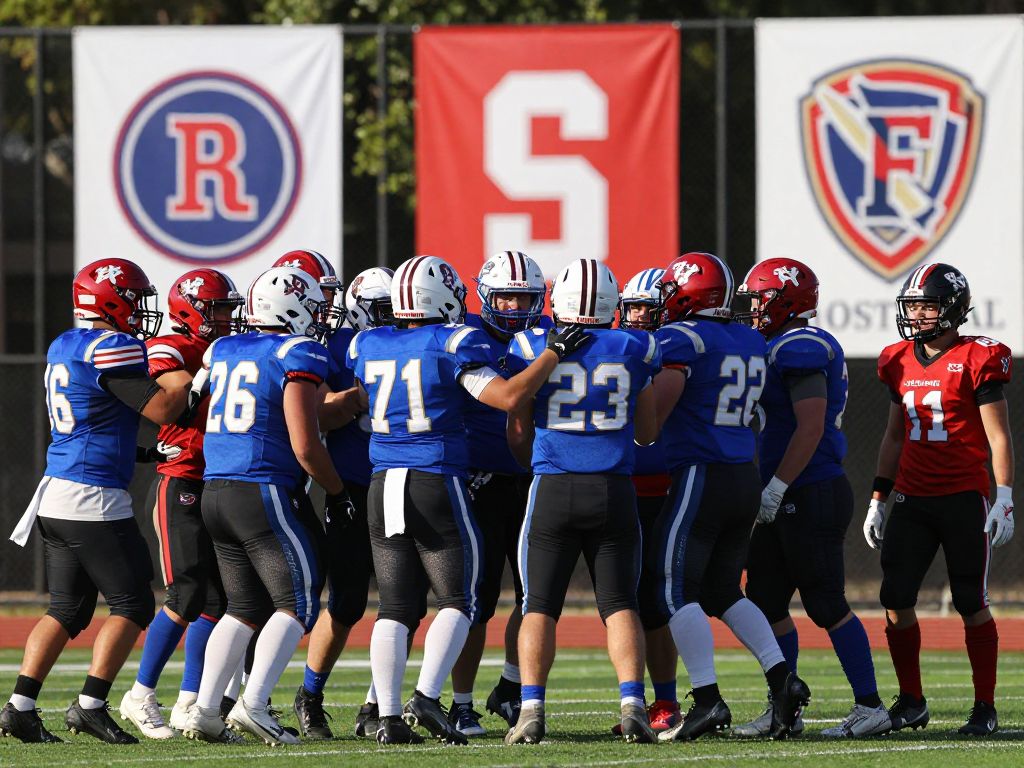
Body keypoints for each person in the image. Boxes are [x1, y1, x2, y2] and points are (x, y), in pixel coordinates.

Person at [349, 255, 588, 745]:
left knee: (395, 605)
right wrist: (551, 356)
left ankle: (388, 716)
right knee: (462, 599)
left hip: (384, 479)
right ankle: (428, 698)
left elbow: (362, 399)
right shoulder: (456, 340)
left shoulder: (369, 343)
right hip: (441, 477)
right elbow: (505, 397)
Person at [0, 259, 188, 744]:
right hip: (93, 497)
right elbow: (164, 407)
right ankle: (91, 705)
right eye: (135, 298)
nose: (141, 309)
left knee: (67, 608)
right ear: (111, 300)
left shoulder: (66, 344)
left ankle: (20, 706)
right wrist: (189, 376)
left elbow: (96, 418)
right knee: (133, 603)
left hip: (57, 492)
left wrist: (145, 452)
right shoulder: (113, 348)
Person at [183, 266, 349, 746]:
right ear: (291, 308)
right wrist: (336, 491)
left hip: (217, 489)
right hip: (263, 489)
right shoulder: (297, 352)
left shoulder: (224, 348)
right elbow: (305, 443)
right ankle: (253, 705)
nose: (319, 317)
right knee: (297, 601)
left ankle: (206, 709)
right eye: (313, 306)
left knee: (244, 606)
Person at [649, 251, 810, 742]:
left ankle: (707, 700)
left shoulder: (682, 339)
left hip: (703, 472)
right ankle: (784, 680)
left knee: (672, 588)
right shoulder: (747, 337)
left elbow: (651, 419)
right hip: (743, 473)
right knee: (723, 591)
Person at [503, 258, 662, 746]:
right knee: (619, 604)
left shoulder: (532, 344)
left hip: (553, 486)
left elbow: (517, 424)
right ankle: (633, 704)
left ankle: (531, 710)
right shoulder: (638, 346)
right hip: (613, 488)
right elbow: (649, 432)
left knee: (539, 605)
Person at [733, 258, 887, 738]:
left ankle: (871, 705)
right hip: (785, 489)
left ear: (785, 301)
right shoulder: (777, 344)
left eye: (759, 300)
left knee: (825, 602)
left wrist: (777, 485)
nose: (753, 310)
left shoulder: (801, 345)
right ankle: (785, 708)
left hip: (811, 487)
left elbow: (811, 424)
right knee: (765, 600)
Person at [864, 262, 1014, 736]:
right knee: (894, 597)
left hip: (963, 496)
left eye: (926, 305)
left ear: (951, 308)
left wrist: (1004, 495)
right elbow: (892, 437)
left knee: (971, 599)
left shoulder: (977, 357)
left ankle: (984, 707)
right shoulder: (897, 358)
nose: (918, 315)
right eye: (914, 306)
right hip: (912, 496)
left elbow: (1000, 437)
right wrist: (878, 498)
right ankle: (911, 701)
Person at [118, 269, 244, 739]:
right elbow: (177, 399)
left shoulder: (225, 345)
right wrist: (213, 368)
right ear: (192, 309)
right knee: (186, 592)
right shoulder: (168, 347)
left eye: (230, 308)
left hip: (220, 479)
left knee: (218, 598)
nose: (227, 318)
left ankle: (190, 701)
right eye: (218, 309)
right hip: (181, 479)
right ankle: (140, 694)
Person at [448, 251, 551, 736]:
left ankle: (511, 686)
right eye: (505, 295)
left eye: (523, 297)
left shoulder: (549, 334)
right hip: (478, 481)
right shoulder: (463, 334)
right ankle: (461, 702)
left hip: (533, 478)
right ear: (486, 295)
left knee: (534, 595)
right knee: (477, 599)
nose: (513, 306)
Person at [293, 266, 399, 740]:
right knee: (348, 601)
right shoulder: (335, 348)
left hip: (403, 481)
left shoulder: (414, 341)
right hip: (354, 486)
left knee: (402, 601)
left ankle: (378, 704)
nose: (394, 318)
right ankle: (310, 695)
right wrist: (362, 393)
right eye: (383, 310)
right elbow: (320, 416)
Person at [609, 267, 681, 736]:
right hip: (615, 488)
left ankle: (668, 700)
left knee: (657, 599)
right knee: (622, 600)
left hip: (663, 488)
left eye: (645, 309)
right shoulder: (615, 348)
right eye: (631, 308)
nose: (636, 317)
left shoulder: (674, 352)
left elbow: (650, 426)